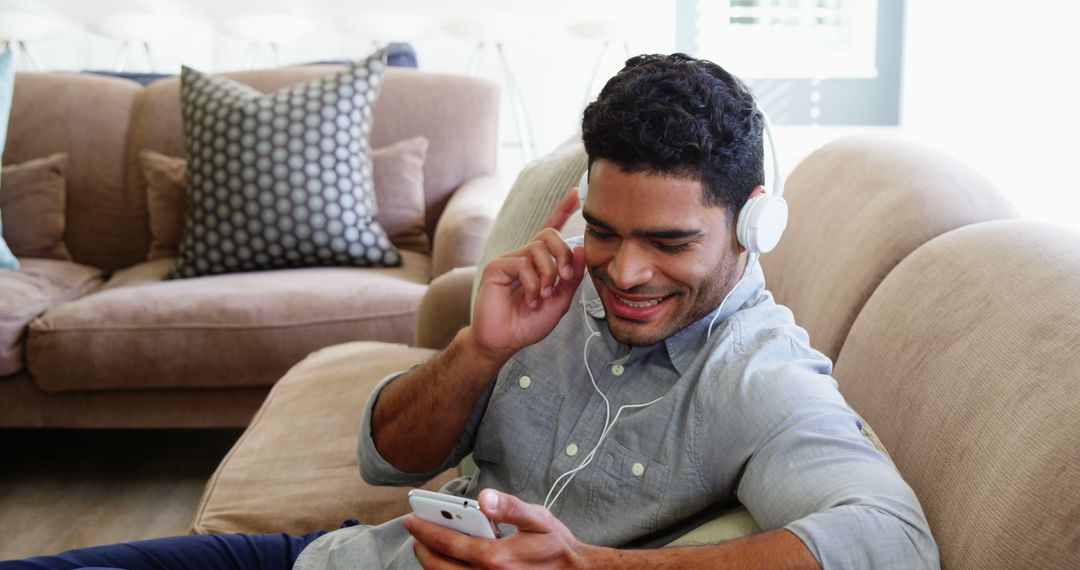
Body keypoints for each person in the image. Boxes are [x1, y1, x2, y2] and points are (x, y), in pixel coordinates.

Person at [2, 53, 938, 570]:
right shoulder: (553, 285)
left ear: (753, 220)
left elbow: (891, 542)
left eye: (671, 242)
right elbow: (387, 454)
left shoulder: (760, 376)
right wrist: (479, 351)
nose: (626, 271)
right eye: (606, 232)